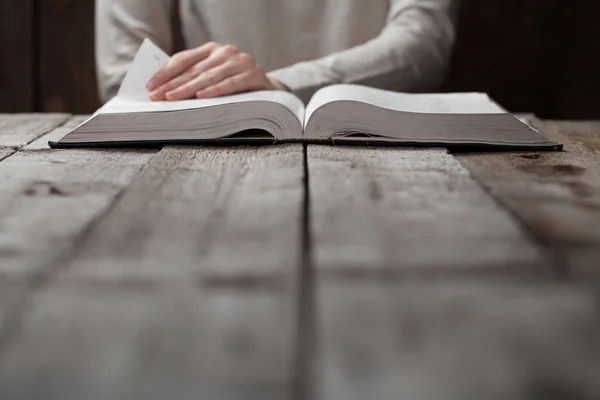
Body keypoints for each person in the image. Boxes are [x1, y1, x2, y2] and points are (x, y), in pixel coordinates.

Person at [96, 0, 458, 104]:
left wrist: (277, 84)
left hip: (385, 145)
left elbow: (423, 42)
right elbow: (125, 78)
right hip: (215, 147)